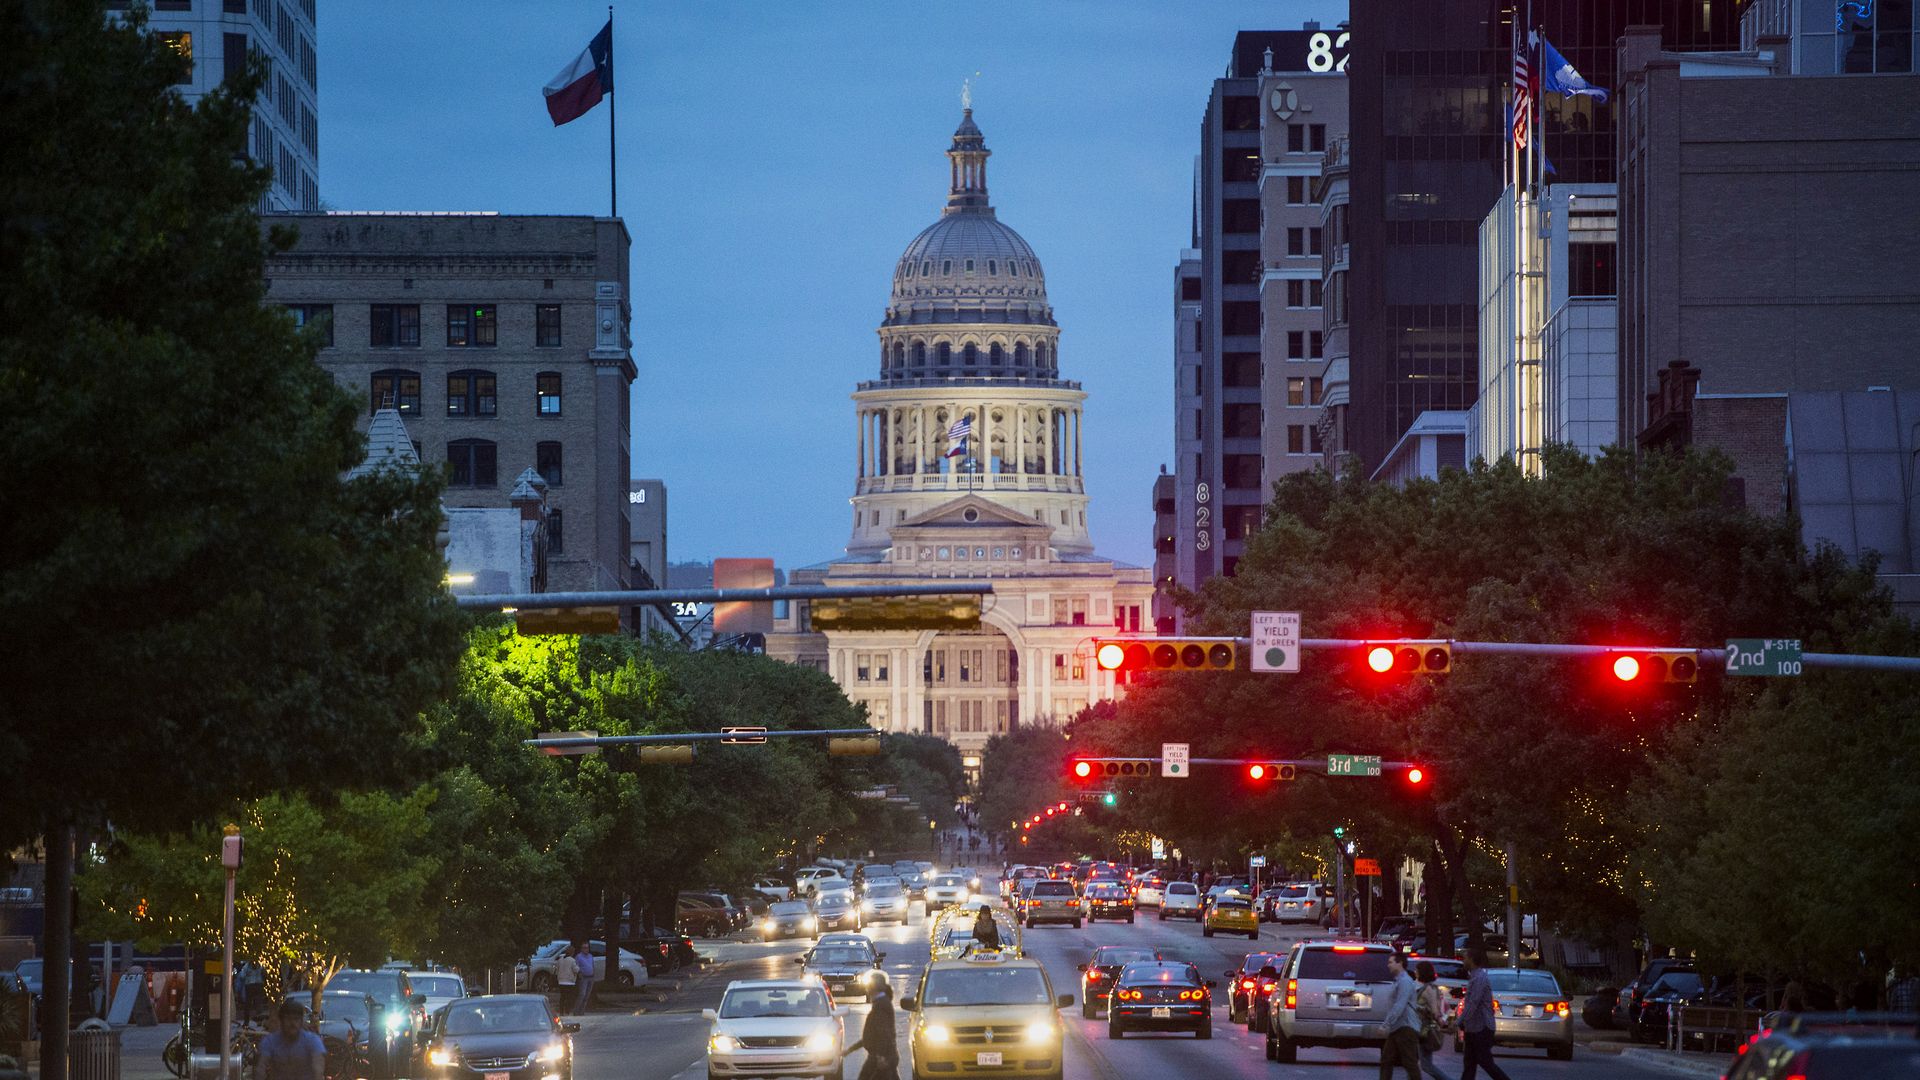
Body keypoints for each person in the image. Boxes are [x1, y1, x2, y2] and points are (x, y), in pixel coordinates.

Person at [1458, 949, 1514, 1080]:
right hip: (1473, 1028)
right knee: (1469, 1064)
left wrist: (1459, 1021)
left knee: (1484, 1061)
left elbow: (1473, 1003)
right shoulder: (1475, 977)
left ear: (1472, 960)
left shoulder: (1479, 978)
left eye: (1465, 958)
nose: (1463, 961)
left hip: (1481, 1027)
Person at [1377, 952, 1421, 1080]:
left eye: (1391, 962)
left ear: (1400, 963)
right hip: (1397, 1027)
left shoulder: (1405, 982)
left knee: (1409, 1063)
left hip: (1406, 1027)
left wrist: (1386, 1024)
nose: (1388, 965)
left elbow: (1400, 1005)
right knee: (1386, 1060)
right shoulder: (1399, 981)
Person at [257, 1002, 325, 1080]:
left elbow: (318, 1068)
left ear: (301, 1021)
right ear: (281, 1021)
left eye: (296, 1019)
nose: (292, 1023)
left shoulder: (312, 1040)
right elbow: (261, 1068)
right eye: (288, 1019)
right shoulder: (270, 1041)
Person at [845, 980, 899, 1080]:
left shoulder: (880, 1006)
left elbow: (884, 1033)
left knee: (865, 1077)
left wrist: (881, 1056)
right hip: (885, 1056)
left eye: (868, 988)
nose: (867, 991)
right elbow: (870, 1036)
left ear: (873, 989)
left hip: (880, 1058)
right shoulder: (880, 1003)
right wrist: (850, 1050)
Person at [1412, 960, 1451, 1080]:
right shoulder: (1428, 988)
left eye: (1417, 970)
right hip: (1419, 1028)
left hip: (1425, 1030)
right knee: (1412, 1062)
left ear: (1422, 972)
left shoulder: (1429, 989)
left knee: (1426, 1065)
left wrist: (1441, 1022)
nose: (1415, 972)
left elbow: (1434, 1010)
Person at [571, 943, 596, 1014]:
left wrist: (594, 974)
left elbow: (592, 965)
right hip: (583, 978)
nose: (586, 949)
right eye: (584, 948)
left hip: (591, 977)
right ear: (581, 949)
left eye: (587, 948)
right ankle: (576, 1010)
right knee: (582, 994)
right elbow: (576, 967)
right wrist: (579, 975)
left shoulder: (590, 956)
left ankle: (582, 1011)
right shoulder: (578, 956)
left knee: (587, 995)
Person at [553, 945, 577, 1011]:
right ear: (572, 952)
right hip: (569, 982)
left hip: (561, 981)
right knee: (569, 997)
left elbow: (557, 970)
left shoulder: (560, 960)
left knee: (562, 997)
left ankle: (561, 1011)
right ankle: (567, 1010)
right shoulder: (572, 960)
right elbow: (576, 970)